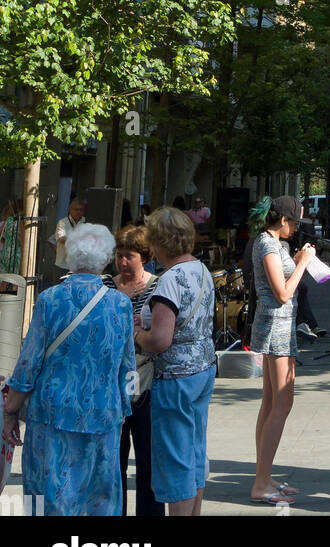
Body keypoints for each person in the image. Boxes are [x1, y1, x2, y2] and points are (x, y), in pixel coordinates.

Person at [1, 223, 134, 515]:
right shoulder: (121, 304)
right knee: (99, 498)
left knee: (48, 496)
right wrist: (124, 408)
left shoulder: (50, 299)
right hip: (103, 415)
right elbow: (128, 367)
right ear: (106, 259)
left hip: (53, 414)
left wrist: (10, 411)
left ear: (70, 257)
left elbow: (29, 361)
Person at [134, 206, 216, 517]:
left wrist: (137, 334)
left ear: (159, 243)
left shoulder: (169, 279)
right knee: (194, 453)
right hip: (203, 369)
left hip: (175, 378)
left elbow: (160, 339)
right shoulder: (200, 269)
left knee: (175, 458)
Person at [245, 196, 315, 505]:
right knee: (282, 403)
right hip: (277, 327)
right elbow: (283, 293)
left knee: (271, 401)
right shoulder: (268, 245)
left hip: (279, 326)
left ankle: (264, 474)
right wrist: (302, 264)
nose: (298, 227)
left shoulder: (276, 244)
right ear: (284, 220)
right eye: (297, 222)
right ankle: (261, 482)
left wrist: (296, 258)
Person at [106, 225, 163, 517]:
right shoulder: (105, 286)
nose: (122, 262)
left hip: (145, 383)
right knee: (112, 460)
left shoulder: (158, 288)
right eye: (119, 255)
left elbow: (163, 333)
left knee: (148, 461)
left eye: (129, 256)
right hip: (111, 386)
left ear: (144, 256)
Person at [51, 195, 85, 277]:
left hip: (80, 267)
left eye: (81, 210)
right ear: (70, 210)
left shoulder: (86, 222)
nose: (78, 212)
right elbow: (61, 239)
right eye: (76, 209)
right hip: (63, 266)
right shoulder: (62, 222)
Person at [0, 198, 22, 284]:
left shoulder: (6, 222)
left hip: (6, 251)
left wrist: (6, 240)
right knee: (14, 276)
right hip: (16, 252)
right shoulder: (19, 223)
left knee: (5, 276)